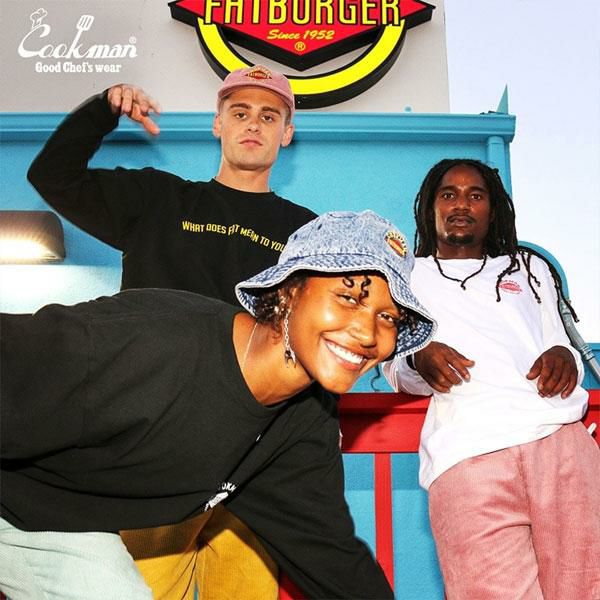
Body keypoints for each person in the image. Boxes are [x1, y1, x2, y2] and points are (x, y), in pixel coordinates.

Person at [0, 210, 435, 600]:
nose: (367, 333)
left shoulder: (303, 422)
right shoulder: (154, 344)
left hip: (53, 522)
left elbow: (330, 556)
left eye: (388, 317)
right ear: (290, 291)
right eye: (349, 297)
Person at [26, 65, 317, 599]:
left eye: (269, 115)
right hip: (155, 447)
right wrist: (102, 111)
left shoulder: (307, 236)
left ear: (287, 133)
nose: (254, 124)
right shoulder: (157, 199)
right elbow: (52, 176)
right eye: (240, 112)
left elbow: (316, 342)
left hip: (254, 458)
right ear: (218, 124)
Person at [383, 158, 600, 599]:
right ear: (429, 207)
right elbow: (395, 368)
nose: (461, 204)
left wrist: (564, 356)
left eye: (475, 195)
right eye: (449, 194)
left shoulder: (528, 269)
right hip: (467, 455)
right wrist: (418, 356)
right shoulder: (405, 277)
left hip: (560, 443)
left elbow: (565, 348)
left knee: (585, 587)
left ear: (493, 208)